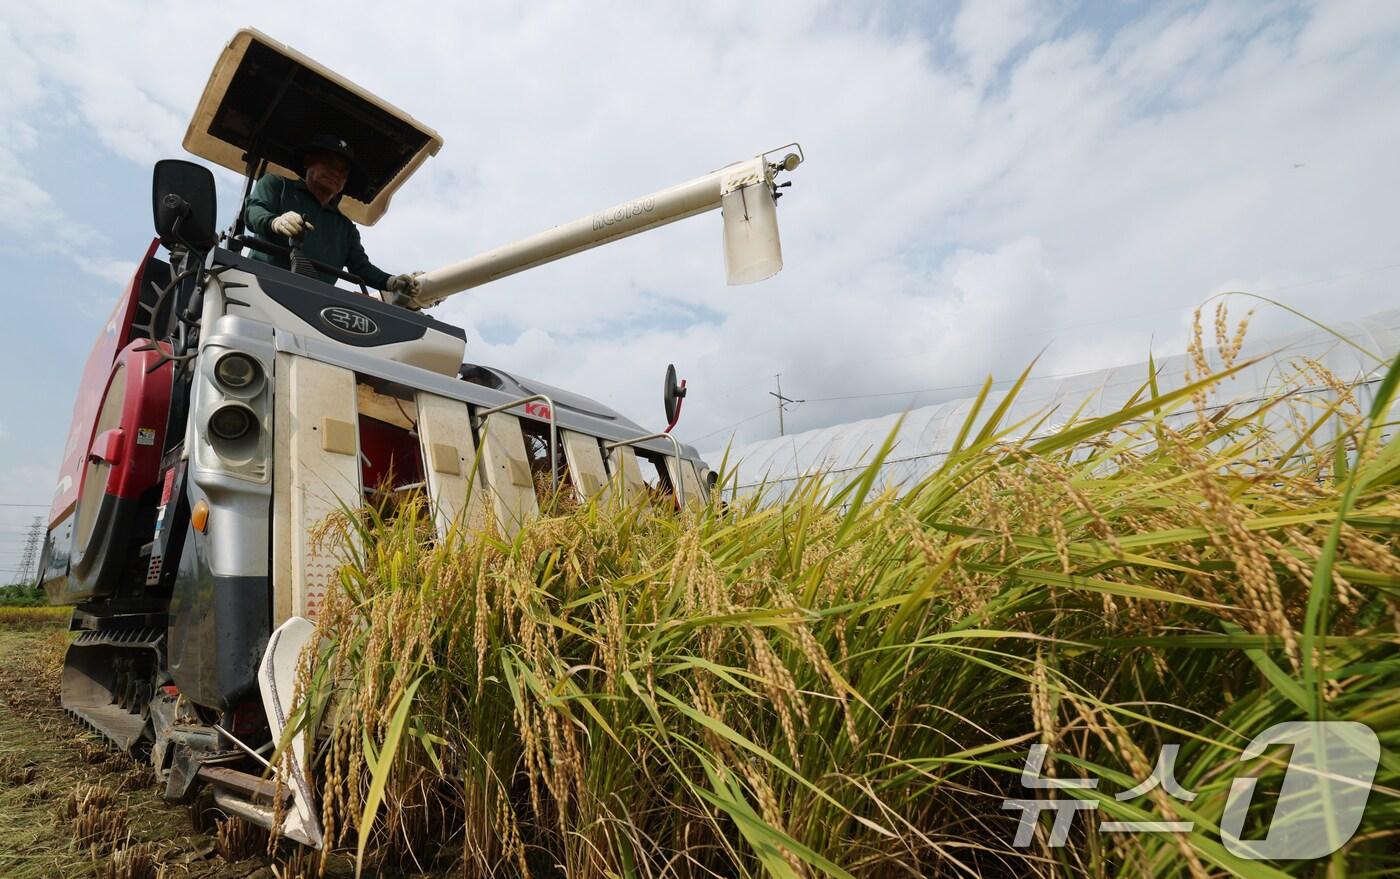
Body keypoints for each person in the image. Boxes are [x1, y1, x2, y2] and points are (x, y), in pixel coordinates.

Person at [243, 134, 419, 304]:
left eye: (343, 171)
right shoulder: (276, 185)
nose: (336, 173)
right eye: (329, 163)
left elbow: (361, 267)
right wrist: (274, 222)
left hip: (313, 306)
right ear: (308, 161)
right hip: (259, 289)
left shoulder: (345, 227)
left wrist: (392, 282)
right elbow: (254, 211)